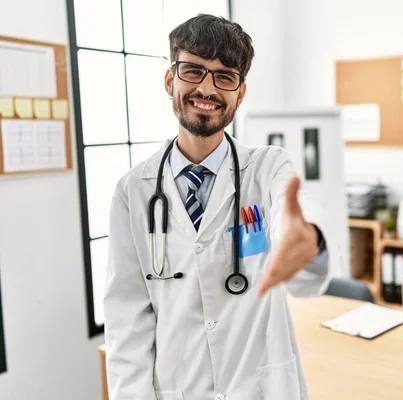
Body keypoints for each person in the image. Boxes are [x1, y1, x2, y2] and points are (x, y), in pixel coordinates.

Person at [104, 14, 334, 400]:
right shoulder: (133, 192)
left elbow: (292, 210)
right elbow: (127, 321)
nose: (207, 89)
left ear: (240, 94)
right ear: (170, 80)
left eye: (225, 77)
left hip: (260, 388)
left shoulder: (266, 167)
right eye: (193, 71)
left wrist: (307, 237)